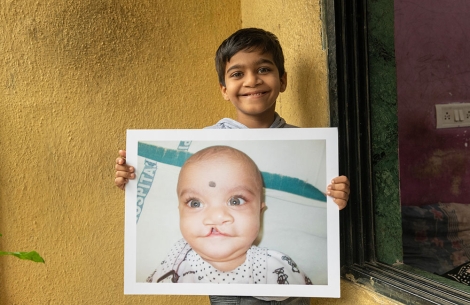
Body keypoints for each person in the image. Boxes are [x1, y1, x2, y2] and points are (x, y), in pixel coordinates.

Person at [115, 28, 350, 304]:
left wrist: (336, 198)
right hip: (227, 296)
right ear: (224, 90)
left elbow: (323, 213)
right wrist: (131, 175)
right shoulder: (204, 142)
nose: (252, 81)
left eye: (263, 69)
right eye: (238, 74)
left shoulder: (308, 149)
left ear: (283, 80)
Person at [147, 145, 312, 285]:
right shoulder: (175, 259)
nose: (216, 217)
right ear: (180, 211)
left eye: (236, 201)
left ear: (259, 213)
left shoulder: (276, 266)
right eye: (195, 203)